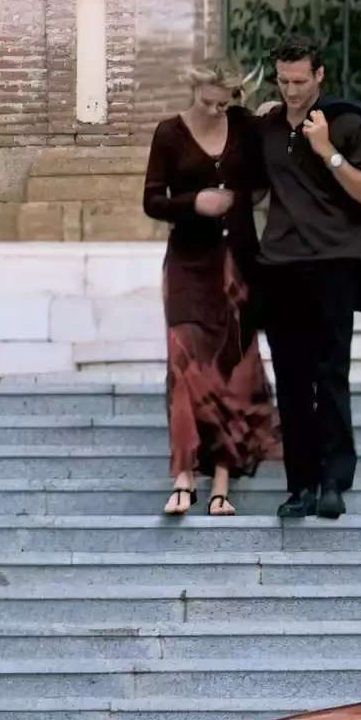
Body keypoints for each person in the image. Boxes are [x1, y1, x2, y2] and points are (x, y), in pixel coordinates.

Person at [252, 33, 361, 521]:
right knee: (290, 382)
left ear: (320, 75)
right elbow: (252, 186)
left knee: (329, 375)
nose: (291, 91)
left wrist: (327, 149)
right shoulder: (268, 126)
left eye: (300, 81)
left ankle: (334, 481)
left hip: (332, 264)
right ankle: (301, 486)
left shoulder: (345, 123)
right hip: (280, 266)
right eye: (283, 81)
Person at [143, 61, 281, 517]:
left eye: (224, 104)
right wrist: (193, 203)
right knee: (183, 365)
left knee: (233, 369)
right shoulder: (169, 133)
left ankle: (222, 482)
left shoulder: (244, 126)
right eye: (208, 102)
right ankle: (184, 476)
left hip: (237, 263)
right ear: (194, 90)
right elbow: (152, 200)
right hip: (187, 264)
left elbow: (262, 181)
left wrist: (273, 116)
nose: (216, 110)